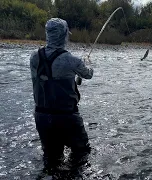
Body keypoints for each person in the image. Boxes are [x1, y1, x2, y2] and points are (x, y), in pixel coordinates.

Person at [29, 18, 94, 174]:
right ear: (65, 35)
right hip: (67, 117)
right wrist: (88, 62)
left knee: (51, 158)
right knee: (81, 154)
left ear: (48, 34)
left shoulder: (34, 57)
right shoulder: (72, 61)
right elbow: (89, 74)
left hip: (42, 117)